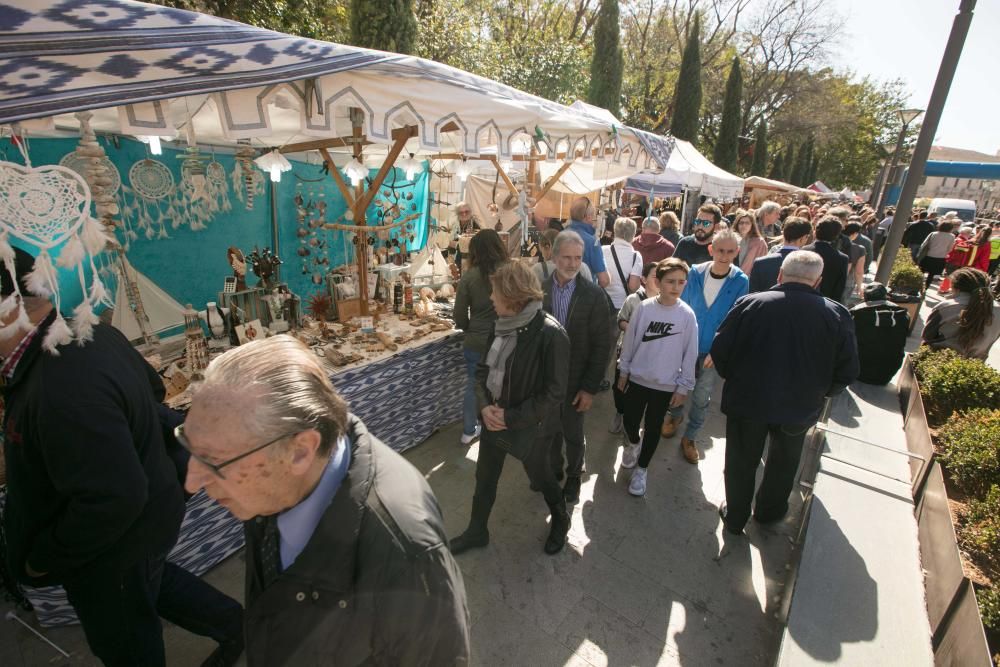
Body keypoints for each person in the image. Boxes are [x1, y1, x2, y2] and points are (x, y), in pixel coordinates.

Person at [1, 248, 244, 667]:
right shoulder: (90, 330)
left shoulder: (60, 385)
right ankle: (240, 627)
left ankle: (238, 628)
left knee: (126, 641)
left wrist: (43, 558)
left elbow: (114, 498)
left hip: (112, 542)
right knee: (149, 580)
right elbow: (152, 395)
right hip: (145, 520)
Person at [182, 336, 470, 665]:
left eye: (212, 460)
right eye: (187, 444)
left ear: (300, 451)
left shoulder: (406, 553)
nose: (191, 481)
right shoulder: (273, 485)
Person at [712, 251, 859, 534]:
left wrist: (736, 378)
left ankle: (736, 516)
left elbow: (721, 351)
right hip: (799, 406)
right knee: (785, 461)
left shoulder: (751, 304)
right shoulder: (836, 314)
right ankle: (768, 513)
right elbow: (847, 370)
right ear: (818, 281)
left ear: (780, 275)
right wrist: (822, 393)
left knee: (741, 460)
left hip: (748, 401)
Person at [449, 262, 572, 556]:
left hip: (532, 429)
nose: (491, 298)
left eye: (495, 293)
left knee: (542, 478)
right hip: (495, 421)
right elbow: (480, 372)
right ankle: (477, 530)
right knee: (485, 479)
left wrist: (510, 417)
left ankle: (561, 518)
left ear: (512, 296)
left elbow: (554, 393)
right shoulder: (500, 324)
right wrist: (485, 408)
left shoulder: (551, 335)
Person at [663, 230, 749, 463]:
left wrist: (718, 350)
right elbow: (681, 306)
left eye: (730, 251)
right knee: (677, 386)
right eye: (720, 250)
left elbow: (735, 318)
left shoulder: (740, 281)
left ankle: (690, 437)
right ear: (711, 249)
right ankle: (675, 416)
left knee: (701, 396)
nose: (724, 255)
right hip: (686, 344)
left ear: (737, 252)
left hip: (713, 350)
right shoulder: (694, 273)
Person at [617, 258, 699, 496]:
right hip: (638, 380)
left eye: (681, 282)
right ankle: (633, 444)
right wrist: (624, 371)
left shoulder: (687, 315)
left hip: (665, 385)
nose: (676, 286)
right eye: (670, 281)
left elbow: (689, 353)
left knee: (653, 427)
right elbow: (630, 342)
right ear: (658, 282)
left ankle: (642, 470)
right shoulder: (644, 309)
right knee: (630, 421)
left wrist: (683, 387)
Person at [541, 231, 613, 503]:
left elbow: (601, 347)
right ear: (554, 256)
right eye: (567, 257)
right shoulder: (540, 290)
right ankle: (553, 469)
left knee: (573, 432)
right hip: (547, 380)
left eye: (578, 258)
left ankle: (573, 476)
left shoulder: (594, 295)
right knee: (548, 430)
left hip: (576, 380)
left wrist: (589, 388)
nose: (572, 264)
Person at [454, 229, 508, 446]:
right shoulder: (510, 271)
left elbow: (458, 314)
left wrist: (469, 327)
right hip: (505, 339)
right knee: (504, 385)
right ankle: (499, 427)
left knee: (473, 384)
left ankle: (468, 431)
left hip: (476, 340)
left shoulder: (469, 276)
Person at [609, 262, 659, 434]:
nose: (658, 281)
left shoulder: (665, 303)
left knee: (639, 391)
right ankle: (620, 412)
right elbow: (620, 319)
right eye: (654, 276)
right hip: (626, 352)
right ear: (644, 279)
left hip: (650, 356)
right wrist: (633, 329)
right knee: (619, 387)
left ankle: (633, 421)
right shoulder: (633, 299)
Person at [922, 267, 1000, 360]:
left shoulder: (947, 307)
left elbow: (927, 336)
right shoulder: (998, 311)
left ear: (956, 288)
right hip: (972, 368)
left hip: (937, 361)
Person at [850, 282, 909, 385]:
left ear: (865, 297)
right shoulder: (903, 315)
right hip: (887, 373)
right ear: (885, 296)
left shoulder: (856, 314)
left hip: (858, 371)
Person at [748, 217, 812, 293]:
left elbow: (751, 294)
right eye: (807, 237)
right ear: (803, 238)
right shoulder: (809, 265)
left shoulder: (761, 263)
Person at [803, 216, 850, 304]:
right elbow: (839, 289)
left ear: (815, 231)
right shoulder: (842, 258)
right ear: (836, 235)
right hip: (825, 303)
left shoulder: (803, 251)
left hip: (800, 298)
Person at [566, 197, 611, 287]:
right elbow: (604, 281)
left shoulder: (560, 235)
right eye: (594, 215)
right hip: (583, 296)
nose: (595, 218)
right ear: (588, 217)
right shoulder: (592, 242)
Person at [603, 217, 643, 310]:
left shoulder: (602, 250)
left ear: (615, 231)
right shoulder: (636, 256)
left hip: (602, 302)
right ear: (633, 234)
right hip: (622, 305)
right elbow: (633, 287)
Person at [917, 221, 957, 289]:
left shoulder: (933, 234)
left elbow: (924, 244)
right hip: (940, 258)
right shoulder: (952, 236)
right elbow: (950, 249)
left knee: (921, 272)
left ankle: (917, 285)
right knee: (931, 275)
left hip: (929, 255)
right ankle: (926, 288)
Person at [733, 209, 768, 275]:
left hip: (750, 278)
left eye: (747, 223)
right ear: (737, 224)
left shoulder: (759, 242)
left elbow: (763, 264)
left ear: (752, 225)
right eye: (741, 223)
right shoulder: (731, 239)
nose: (744, 225)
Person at [842, 222, 867, 303]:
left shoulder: (834, 244)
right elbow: (859, 271)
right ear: (855, 233)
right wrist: (859, 287)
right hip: (847, 282)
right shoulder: (860, 249)